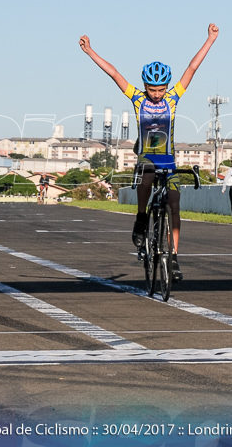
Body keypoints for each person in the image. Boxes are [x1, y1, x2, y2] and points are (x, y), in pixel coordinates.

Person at [80, 23, 219, 281]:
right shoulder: (137, 99)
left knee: (175, 205)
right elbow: (114, 73)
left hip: (168, 159)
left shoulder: (172, 98)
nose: (156, 95)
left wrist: (209, 39)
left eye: (160, 89)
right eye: (152, 89)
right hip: (147, 157)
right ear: (145, 86)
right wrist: (91, 52)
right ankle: (141, 218)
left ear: (166, 87)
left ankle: (174, 257)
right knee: (146, 173)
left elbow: (192, 68)